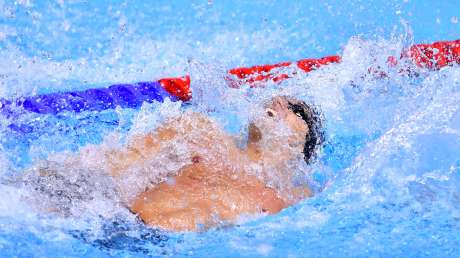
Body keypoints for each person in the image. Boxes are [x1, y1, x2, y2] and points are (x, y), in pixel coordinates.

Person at [21, 96, 324, 232]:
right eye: (278, 100)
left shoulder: (298, 198)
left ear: (302, 147)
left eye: (295, 109)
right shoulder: (201, 133)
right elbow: (110, 164)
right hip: (116, 225)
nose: (279, 103)